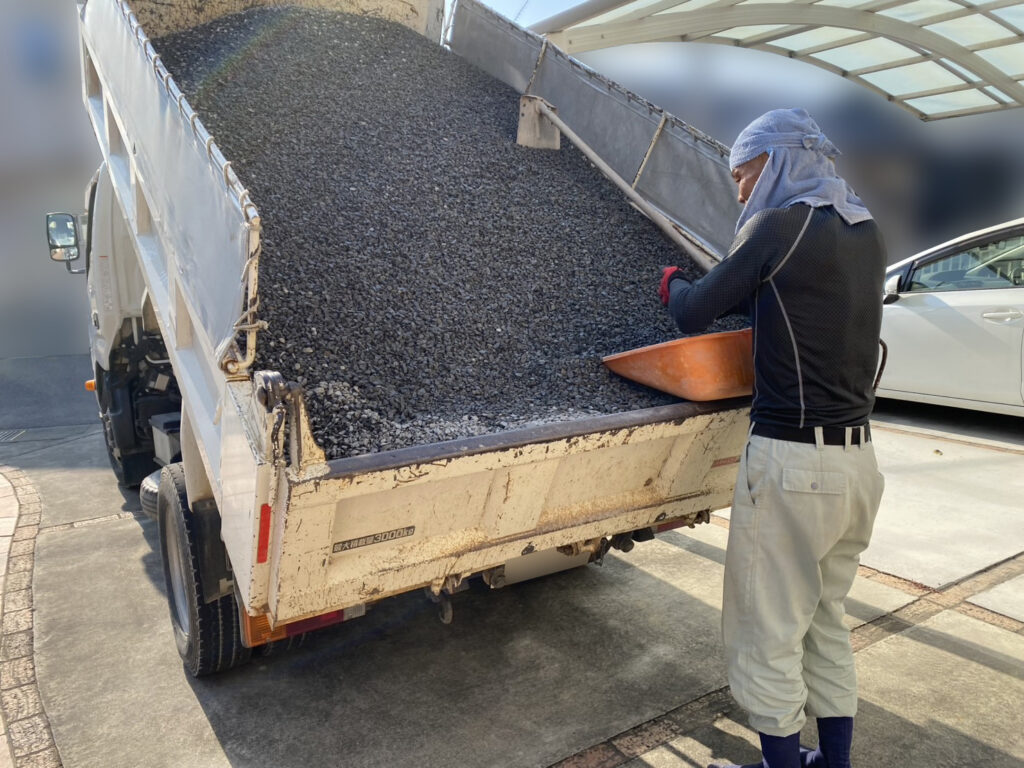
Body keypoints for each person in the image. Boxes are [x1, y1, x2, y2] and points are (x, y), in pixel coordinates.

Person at [658, 108, 887, 768]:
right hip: (859, 463)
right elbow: (803, 306)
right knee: (826, 623)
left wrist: (673, 281)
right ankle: (832, 764)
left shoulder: (776, 227)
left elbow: (697, 310)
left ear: (779, 163)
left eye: (745, 173)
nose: (739, 192)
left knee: (768, 632)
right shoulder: (867, 231)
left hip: (791, 464)